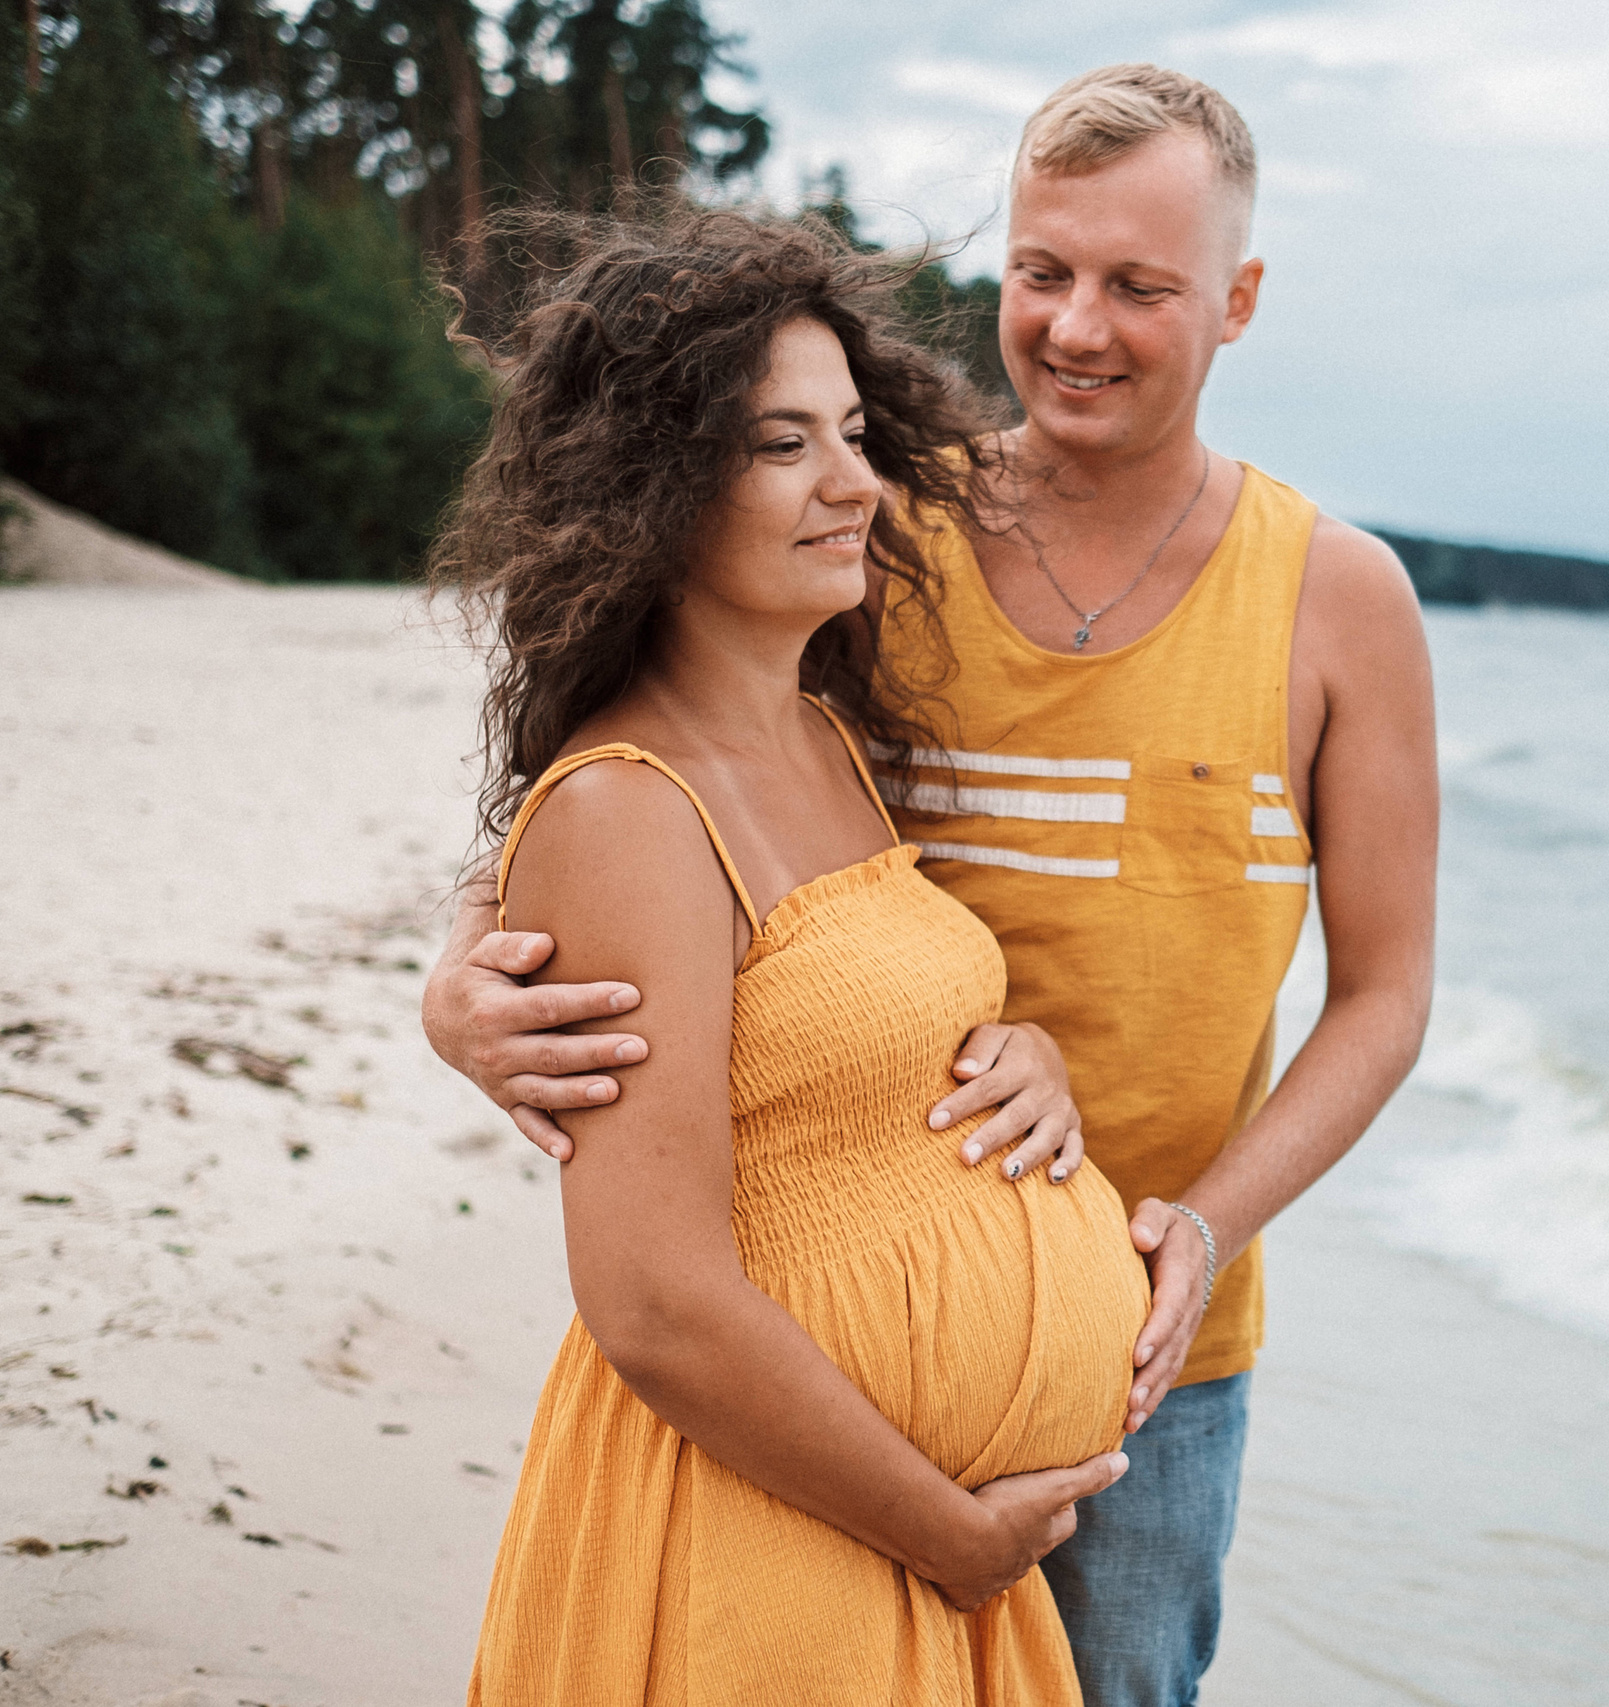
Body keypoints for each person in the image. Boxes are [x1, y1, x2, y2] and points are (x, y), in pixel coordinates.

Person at [425, 65, 1441, 1707]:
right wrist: (463, 982)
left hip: (1155, 1354)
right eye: (1045, 272)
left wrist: (1201, 1218)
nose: (1080, 325)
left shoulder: (1338, 599)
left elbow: (1386, 996)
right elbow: (638, 771)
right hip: (816, 1357)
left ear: (1238, 300)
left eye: (1141, 285)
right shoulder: (885, 539)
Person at [436, 205, 1149, 1703]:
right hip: (775, 1537)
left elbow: (847, 1050)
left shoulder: (821, 730)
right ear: (653, 488)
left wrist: (1026, 1057)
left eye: (850, 432)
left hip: (889, 1528)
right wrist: (948, 1534)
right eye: (782, 446)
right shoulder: (633, 807)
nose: (855, 484)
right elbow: (653, 1305)